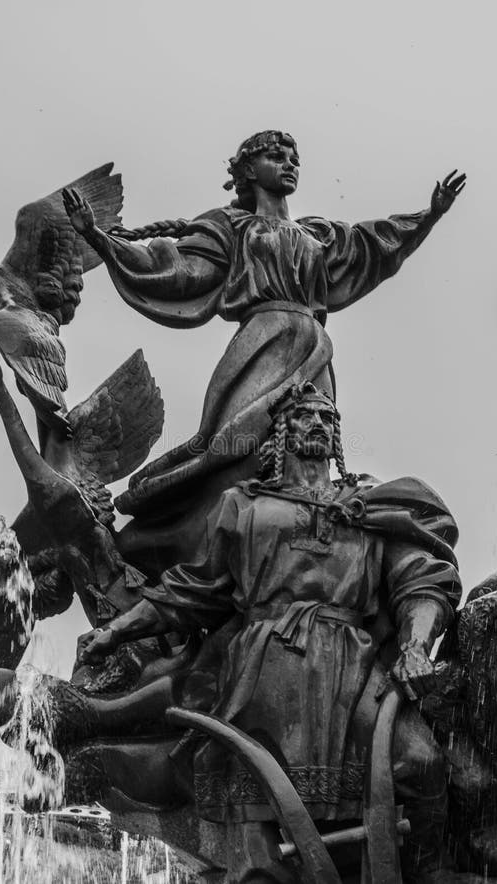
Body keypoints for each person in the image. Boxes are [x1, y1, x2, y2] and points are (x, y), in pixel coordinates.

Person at [78, 381, 462, 883]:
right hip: (265, 668)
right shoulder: (243, 506)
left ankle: (429, 869)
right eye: (306, 416)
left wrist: (415, 645)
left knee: (422, 760)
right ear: (282, 432)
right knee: (260, 798)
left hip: (356, 668)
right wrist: (117, 633)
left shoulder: (370, 508)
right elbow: (192, 591)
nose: (320, 424)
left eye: (328, 417)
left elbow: (420, 579)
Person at [62, 131, 466, 573]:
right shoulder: (228, 227)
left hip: (314, 349)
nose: (290, 163)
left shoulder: (317, 233)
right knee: (233, 455)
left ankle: (298, 558)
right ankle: (181, 553)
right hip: (261, 340)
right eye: (277, 156)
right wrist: (99, 239)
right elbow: (180, 271)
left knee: (307, 458)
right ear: (248, 171)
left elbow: (375, 247)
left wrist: (430, 215)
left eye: (295, 157)